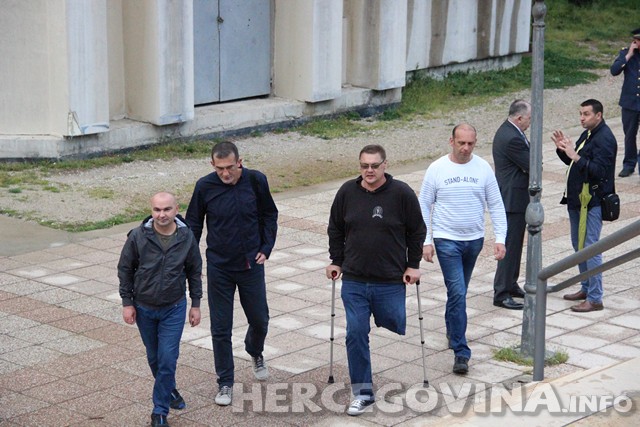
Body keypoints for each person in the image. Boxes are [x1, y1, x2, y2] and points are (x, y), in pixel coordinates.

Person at [326, 144, 426, 416]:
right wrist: (336, 260)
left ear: (385, 165)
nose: (369, 170)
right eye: (364, 166)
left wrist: (413, 265)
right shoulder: (347, 192)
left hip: (389, 279)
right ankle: (363, 393)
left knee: (394, 320)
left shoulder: (402, 193)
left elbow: (417, 231)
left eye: (374, 165)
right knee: (356, 333)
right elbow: (335, 228)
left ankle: (381, 317)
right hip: (355, 279)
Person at [185, 141, 278, 406]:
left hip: (251, 265)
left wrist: (266, 247)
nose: (225, 173)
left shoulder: (256, 181)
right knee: (220, 328)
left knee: (260, 319)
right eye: (220, 169)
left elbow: (269, 215)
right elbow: (193, 224)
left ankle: (254, 350)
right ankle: (225, 382)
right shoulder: (204, 186)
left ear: (240, 162)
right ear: (212, 165)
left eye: (230, 167)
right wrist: (190, 259)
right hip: (219, 267)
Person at [419, 124, 507, 375]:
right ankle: (461, 351)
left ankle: (452, 328)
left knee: (459, 292)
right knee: (458, 292)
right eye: (461, 143)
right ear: (452, 142)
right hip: (447, 240)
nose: (466, 148)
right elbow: (423, 205)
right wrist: (426, 240)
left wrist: (500, 238)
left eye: (470, 143)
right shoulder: (437, 169)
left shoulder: (483, 168)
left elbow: (496, 204)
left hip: (474, 240)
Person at [118, 192, 202, 427]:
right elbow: (125, 269)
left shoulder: (186, 237)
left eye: (166, 209)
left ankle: (159, 412)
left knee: (167, 358)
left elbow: (194, 270)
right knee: (154, 357)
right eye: (157, 210)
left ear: (176, 209)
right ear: (151, 210)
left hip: (173, 308)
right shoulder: (137, 236)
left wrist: (196, 304)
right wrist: (127, 303)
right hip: (144, 308)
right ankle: (170, 389)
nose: (161, 214)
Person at [551, 99, 617, 312]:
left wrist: (574, 155)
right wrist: (563, 150)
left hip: (592, 202)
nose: (582, 118)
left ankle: (595, 298)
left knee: (590, 247)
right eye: (580, 113)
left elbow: (600, 172)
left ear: (598, 115)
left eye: (586, 114)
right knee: (578, 246)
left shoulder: (605, 138)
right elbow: (574, 163)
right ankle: (586, 287)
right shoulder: (588, 134)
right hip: (577, 200)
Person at [491, 100, 532, 310]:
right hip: (512, 199)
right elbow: (532, 163)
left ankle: (511, 283)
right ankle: (502, 292)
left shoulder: (510, 130)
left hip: (514, 198)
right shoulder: (511, 137)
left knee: (515, 246)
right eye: (529, 119)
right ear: (519, 118)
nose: (530, 122)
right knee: (509, 246)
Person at [610, 28, 640, 177]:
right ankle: (629, 164)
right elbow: (614, 70)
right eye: (637, 40)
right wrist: (628, 55)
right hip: (630, 102)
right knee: (629, 135)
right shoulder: (626, 53)